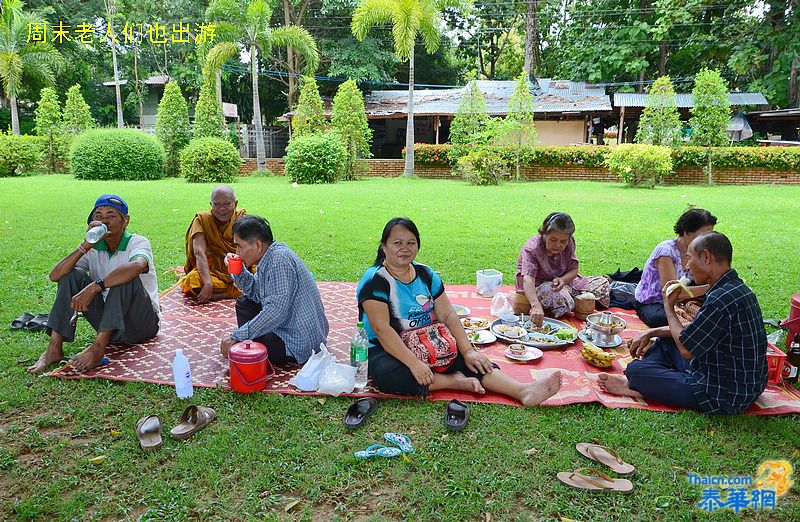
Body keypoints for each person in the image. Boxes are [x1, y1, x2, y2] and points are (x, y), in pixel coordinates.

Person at [357, 217, 562, 404]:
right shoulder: (376, 280)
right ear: (384, 247)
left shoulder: (426, 274)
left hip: (428, 340)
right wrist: (414, 363)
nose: (405, 248)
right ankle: (453, 381)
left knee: (471, 361)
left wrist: (468, 351)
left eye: (411, 242)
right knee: (388, 374)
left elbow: (447, 314)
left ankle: (523, 391)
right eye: (397, 243)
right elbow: (382, 329)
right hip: (385, 348)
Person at [599, 232, 768, 414]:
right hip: (745, 383)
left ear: (706, 257)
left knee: (636, 371)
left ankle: (638, 385)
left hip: (723, 394)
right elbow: (695, 331)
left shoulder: (720, 299)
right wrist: (652, 332)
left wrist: (668, 306)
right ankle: (654, 381)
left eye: (689, 259)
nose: (687, 267)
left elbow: (687, 349)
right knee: (668, 339)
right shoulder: (736, 288)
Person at [27, 195, 160, 374]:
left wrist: (95, 286)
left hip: (140, 323)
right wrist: (85, 246)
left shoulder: (137, 242)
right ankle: (54, 348)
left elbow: (138, 266)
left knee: (125, 277)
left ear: (125, 221)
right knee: (70, 275)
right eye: (98, 215)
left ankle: (98, 348)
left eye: (111, 215)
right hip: (108, 322)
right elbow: (56, 275)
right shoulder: (93, 248)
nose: (104, 220)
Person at [218, 215, 328, 366]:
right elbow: (256, 293)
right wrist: (237, 271)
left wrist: (237, 336)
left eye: (240, 246)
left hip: (299, 342)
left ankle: (249, 345)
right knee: (245, 302)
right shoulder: (269, 256)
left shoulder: (278, 261)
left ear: (258, 245)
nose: (237, 252)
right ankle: (248, 341)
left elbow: (276, 311)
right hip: (290, 325)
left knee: (247, 345)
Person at [513, 212, 610, 325]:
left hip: (563, 282)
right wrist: (535, 306)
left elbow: (574, 270)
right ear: (544, 233)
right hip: (536, 286)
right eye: (553, 240)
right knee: (553, 292)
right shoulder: (533, 248)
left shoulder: (569, 242)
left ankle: (568, 299)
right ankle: (568, 301)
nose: (558, 245)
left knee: (603, 283)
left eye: (563, 241)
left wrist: (563, 280)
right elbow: (528, 279)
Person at [634, 208, 717, 327]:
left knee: (713, 313)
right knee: (663, 320)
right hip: (654, 301)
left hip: (679, 300)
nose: (706, 241)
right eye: (703, 235)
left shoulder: (698, 252)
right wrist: (711, 287)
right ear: (687, 232)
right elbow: (671, 293)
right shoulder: (666, 252)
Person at [181, 185, 246, 303]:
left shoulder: (242, 219)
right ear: (211, 205)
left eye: (227, 204)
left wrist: (239, 272)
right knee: (192, 280)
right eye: (217, 205)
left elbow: (248, 250)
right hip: (212, 271)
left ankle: (224, 294)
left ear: (235, 204)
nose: (222, 209)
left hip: (238, 269)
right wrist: (208, 283)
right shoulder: (202, 220)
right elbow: (199, 252)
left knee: (258, 280)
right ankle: (232, 291)